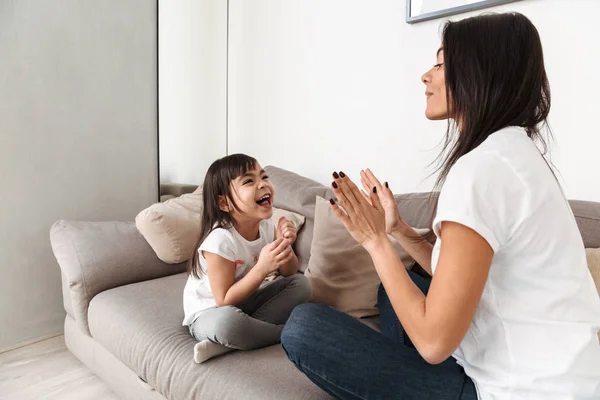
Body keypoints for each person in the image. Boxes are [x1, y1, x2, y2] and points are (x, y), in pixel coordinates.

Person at [281, 12, 600, 399]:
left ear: (478, 74)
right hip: (569, 376)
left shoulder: (480, 170)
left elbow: (433, 343)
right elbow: (464, 275)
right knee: (391, 293)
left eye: (441, 63)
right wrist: (397, 230)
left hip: (517, 389)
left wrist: (374, 242)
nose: (426, 75)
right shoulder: (515, 154)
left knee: (304, 327)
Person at [183, 154, 311, 364]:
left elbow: (289, 271)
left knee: (301, 284)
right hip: (210, 313)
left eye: (264, 177)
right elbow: (223, 301)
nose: (263, 184)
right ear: (224, 203)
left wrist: (284, 245)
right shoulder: (220, 241)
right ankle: (284, 333)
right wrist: (261, 269)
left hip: (246, 301)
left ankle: (231, 343)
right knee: (228, 324)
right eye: (249, 181)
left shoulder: (266, 225)